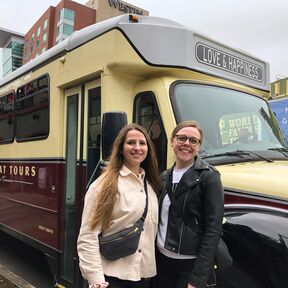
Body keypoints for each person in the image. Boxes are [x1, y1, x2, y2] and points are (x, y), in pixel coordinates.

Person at [77, 123, 160, 288]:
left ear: (148, 149)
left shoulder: (150, 185)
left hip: (142, 279)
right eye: (131, 143)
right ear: (121, 148)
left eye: (142, 143)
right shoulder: (104, 185)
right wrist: (96, 281)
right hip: (110, 280)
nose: (137, 147)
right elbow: (88, 236)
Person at [153, 120, 224, 288]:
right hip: (161, 262)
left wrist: (198, 278)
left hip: (189, 266)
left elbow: (213, 230)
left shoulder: (209, 177)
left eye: (193, 141)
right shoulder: (164, 177)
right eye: (181, 138)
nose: (187, 143)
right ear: (172, 141)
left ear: (198, 146)